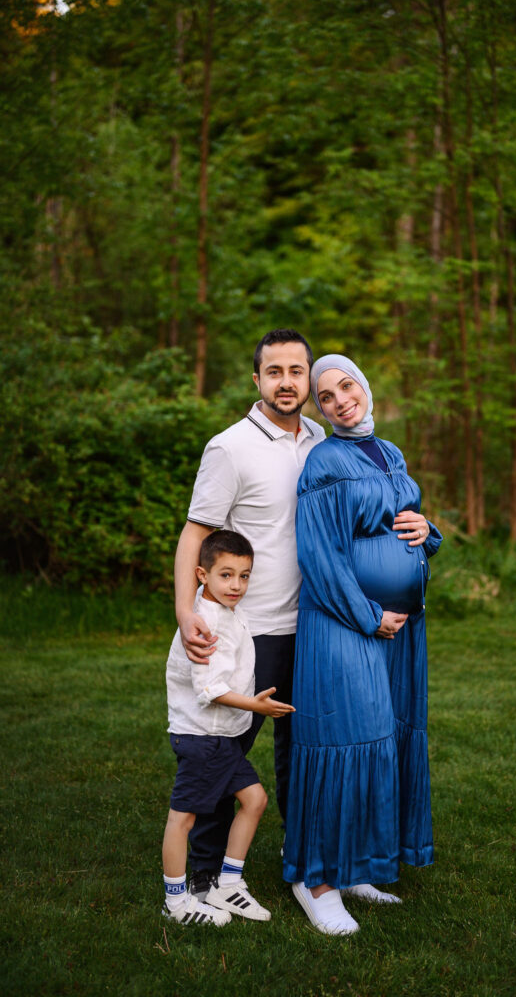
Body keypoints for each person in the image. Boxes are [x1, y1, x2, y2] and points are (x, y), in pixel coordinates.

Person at [283, 355, 442, 936]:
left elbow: (407, 524)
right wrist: (368, 616)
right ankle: (315, 880)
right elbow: (319, 555)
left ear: (365, 387)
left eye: (346, 385)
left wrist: (429, 533)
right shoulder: (325, 461)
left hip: (399, 631)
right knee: (343, 740)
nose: (340, 399)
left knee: (382, 740)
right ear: (320, 410)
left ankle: (355, 870)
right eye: (325, 396)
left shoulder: (390, 452)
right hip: (344, 624)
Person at [174, 329, 326, 898]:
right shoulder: (230, 446)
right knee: (223, 752)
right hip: (246, 632)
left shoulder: (319, 440)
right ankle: (205, 875)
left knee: (300, 753)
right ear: (256, 379)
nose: (287, 382)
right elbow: (197, 532)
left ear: (309, 376)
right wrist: (187, 611)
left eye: (296, 371)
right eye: (275, 372)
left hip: (309, 626)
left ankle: (301, 856)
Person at [163, 529, 295, 925]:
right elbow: (210, 688)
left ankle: (227, 883)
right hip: (202, 738)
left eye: (244, 575)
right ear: (202, 574)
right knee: (182, 819)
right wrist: (256, 706)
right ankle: (176, 902)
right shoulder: (204, 622)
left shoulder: (231, 613)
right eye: (226, 575)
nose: (236, 585)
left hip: (223, 738)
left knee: (254, 800)